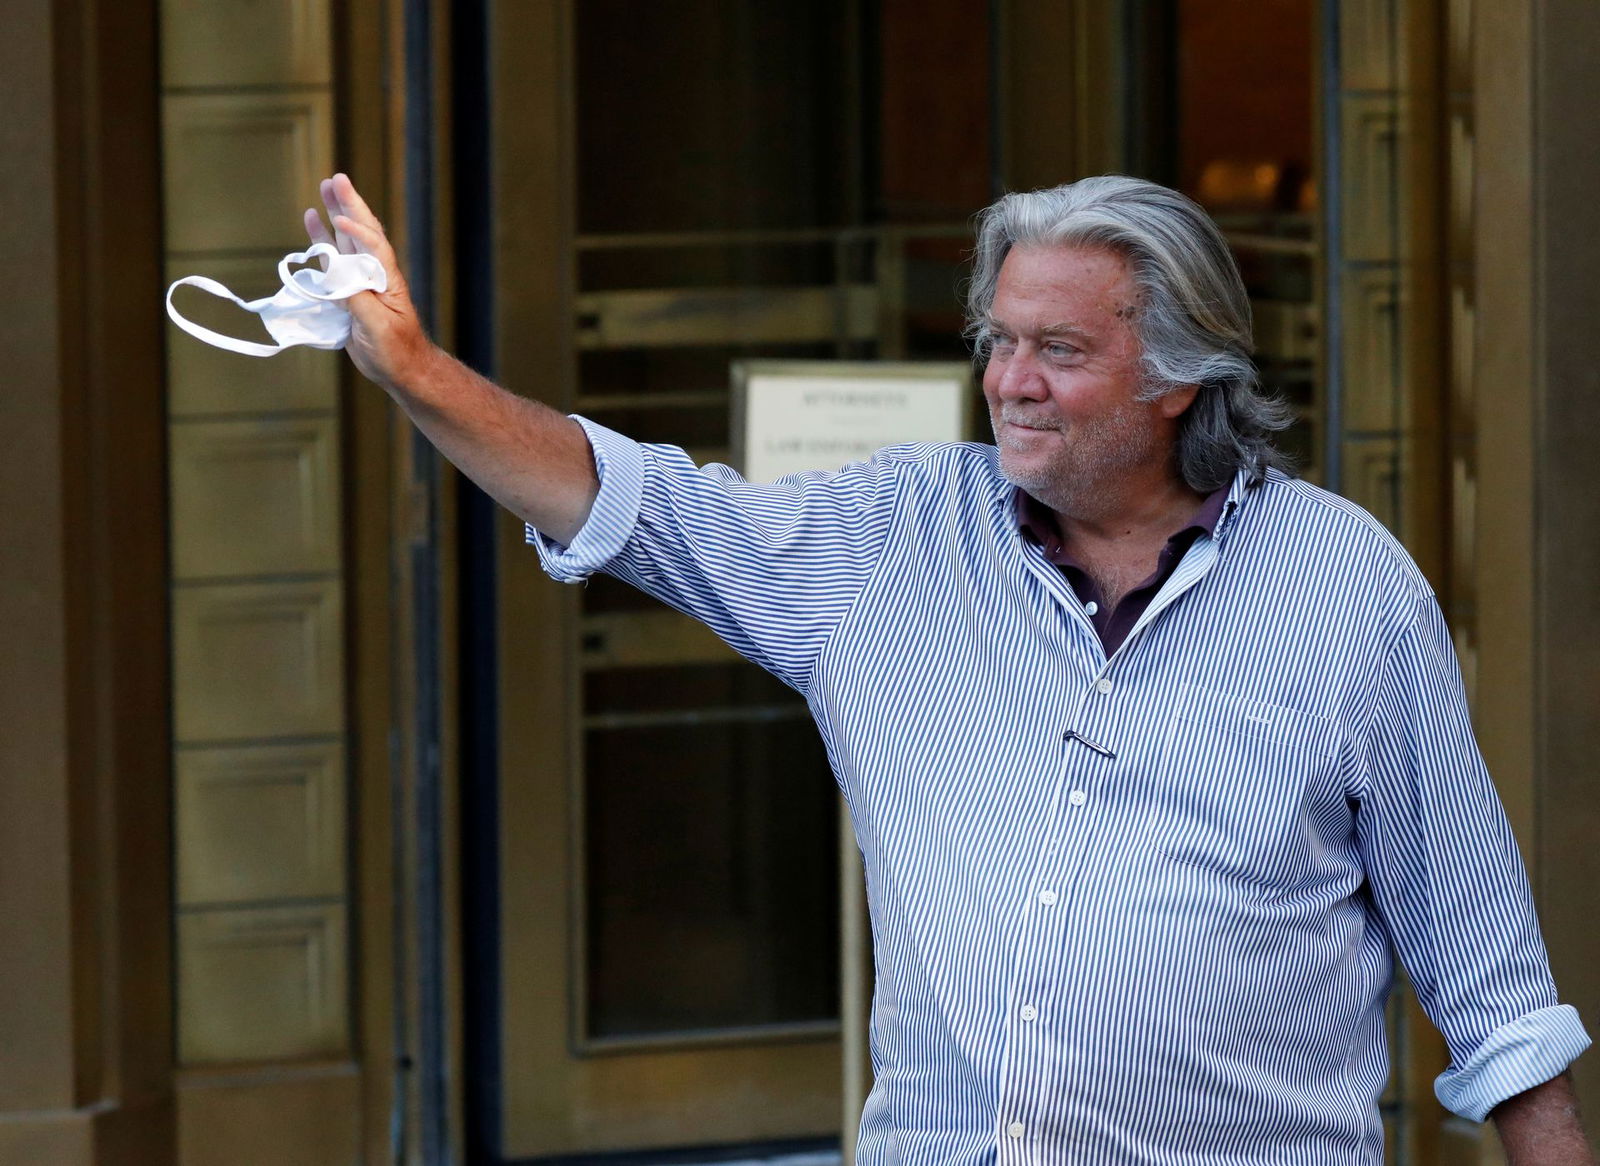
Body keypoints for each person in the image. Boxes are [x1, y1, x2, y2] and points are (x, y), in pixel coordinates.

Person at [306, 172, 1593, 1163]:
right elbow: (633, 502)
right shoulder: (890, 542)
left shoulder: (1344, 587)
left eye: (1061, 350)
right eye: (999, 339)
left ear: (1182, 380)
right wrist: (412, 368)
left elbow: (1489, 982)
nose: (1010, 383)